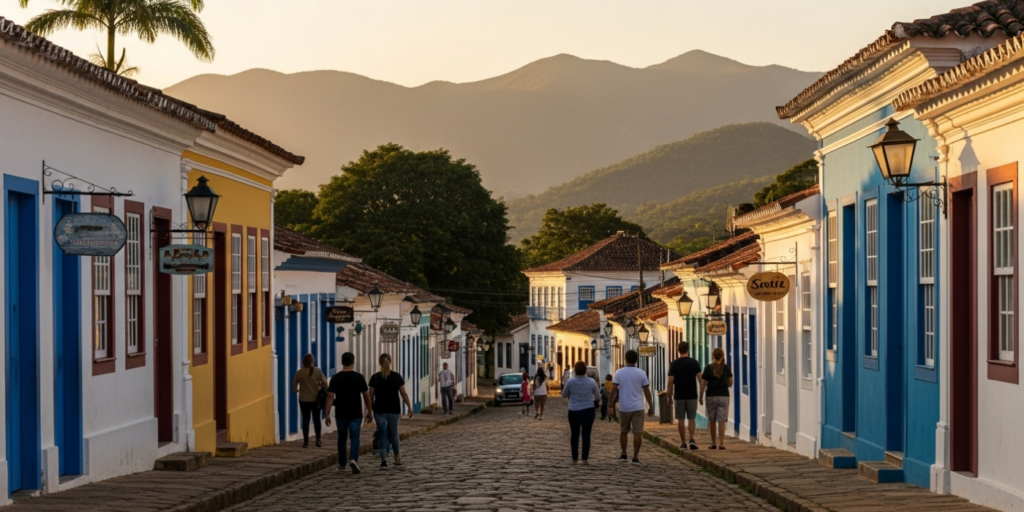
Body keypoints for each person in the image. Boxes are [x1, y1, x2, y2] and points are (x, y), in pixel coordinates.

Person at [324, 352, 372, 474]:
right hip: (355, 413)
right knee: (355, 437)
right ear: (353, 362)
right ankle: (353, 459)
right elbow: (367, 397)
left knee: (342, 438)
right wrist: (369, 412)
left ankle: (342, 462)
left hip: (341, 413)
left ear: (342, 362)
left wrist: (327, 414)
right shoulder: (359, 377)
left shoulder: (336, 378)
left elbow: (330, 396)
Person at [606, 350, 654, 464]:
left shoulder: (619, 373)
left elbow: (613, 391)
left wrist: (610, 406)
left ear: (625, 359)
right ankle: (635, 457)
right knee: (637, 432)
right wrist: (651, 406)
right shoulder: (641, 373)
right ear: (636, 360)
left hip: (624, 407)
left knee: (624, 431)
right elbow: (647, 391)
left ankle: (624, 454)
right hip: (638, 407)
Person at [368, 353, 414, 469]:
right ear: (390, 362)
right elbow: (403, 393)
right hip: (394, 410)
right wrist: (409, 407)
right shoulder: (396, 377)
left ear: (379, 363)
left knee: (383, 434)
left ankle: (383, 460)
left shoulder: (375, 377)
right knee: (394, 434)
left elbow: (370, 396)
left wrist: (369, 411)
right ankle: (397, 457)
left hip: (379, 411)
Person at [561, 361, 601, 464]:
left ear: (575, 370)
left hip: (574, 410)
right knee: (586, 434)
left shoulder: (570, 381)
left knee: (574, 435)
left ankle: (574, 458)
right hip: (588, 410)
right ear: (585, 370)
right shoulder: (591, 381)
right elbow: (597, 396)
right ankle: (584, 459)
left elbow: (564, 395)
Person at [667, 341, 703, 451]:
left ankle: (683, 443)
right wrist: (701, 394)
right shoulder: (694, 362)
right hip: (692, 395)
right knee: (691, 418)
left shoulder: (674, 364)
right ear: (688, 350)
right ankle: (691, 439)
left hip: (679, 395)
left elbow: (670, 381)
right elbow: (700, 379)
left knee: (681, 419)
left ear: (678, 350)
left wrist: (669, 395)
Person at [699, 347, 733, 450]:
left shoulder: (708, 368)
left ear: (713, 356)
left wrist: (700, 396)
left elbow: (703, 383)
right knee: (721, 421)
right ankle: (721, 443)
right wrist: (725, 384)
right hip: (723, 396)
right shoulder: (726, 368)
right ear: (722, 356)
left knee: (712, 420)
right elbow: (730, 382)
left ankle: (713, 443)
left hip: (711, 396)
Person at [292, 353, 329, 448]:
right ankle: (318, 439)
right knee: (316, 419)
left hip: (303, 399)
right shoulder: (317, 371)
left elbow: (294, 386)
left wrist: (298, 390)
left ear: (303, 362)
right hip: (315, 399)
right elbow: (325, 384)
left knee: (306, 420)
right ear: (312, 361)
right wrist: (320, 386)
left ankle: (306, 441)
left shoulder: (300, 372)